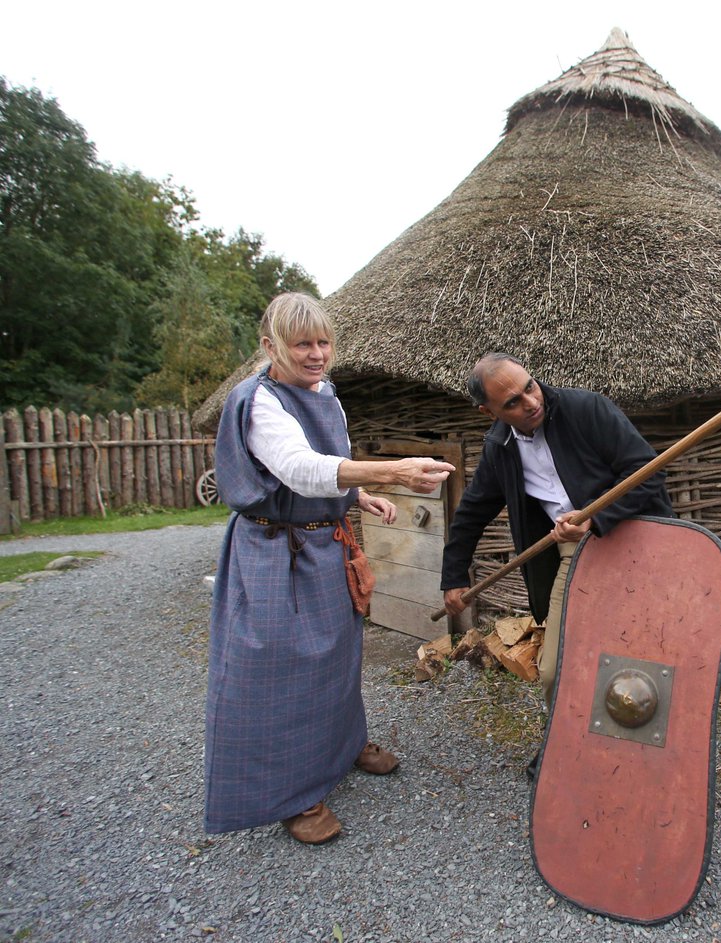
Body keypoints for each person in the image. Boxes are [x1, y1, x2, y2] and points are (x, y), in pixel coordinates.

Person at [205, 292, 454, 845]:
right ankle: (296, 795)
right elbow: (297, 467)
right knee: (279, 669)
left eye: (323, 342)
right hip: (274, 552)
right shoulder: (259, 401)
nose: (317, 354)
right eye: (302, 345)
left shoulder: (327, 395)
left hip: (326, 544)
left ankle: (342, 748)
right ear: (270, 347)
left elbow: (325, 470)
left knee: (339, 656)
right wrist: (391, 471)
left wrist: (358, 495)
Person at [441, 353, 673, 712]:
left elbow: (648, 473)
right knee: (558, 669)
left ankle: (645, 756)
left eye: (529, 386)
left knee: (651, 652)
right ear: (490, 413)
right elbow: (472, 512)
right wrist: (454, 576)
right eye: (513, 402)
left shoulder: (587, 409)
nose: (532, 402)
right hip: (577, 554)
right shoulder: (499, 449)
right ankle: (562, 754)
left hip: (639, 540)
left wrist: (597, 517)